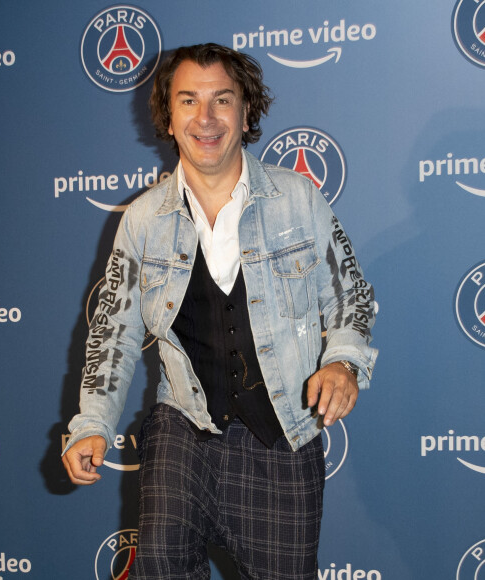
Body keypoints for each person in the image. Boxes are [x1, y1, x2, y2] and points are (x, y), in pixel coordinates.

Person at [63, 43, 378, 579]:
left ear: (246, 111)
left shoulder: (298, 200)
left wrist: (344, 361)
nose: (205, 119)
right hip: (183, 427)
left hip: (282, 437)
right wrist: (91, 422)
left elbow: (352, 297)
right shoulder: (143, 221)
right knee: (159, 567)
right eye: (188, 101)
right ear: (168, 114)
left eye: (222, 100)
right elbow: (113, 332)